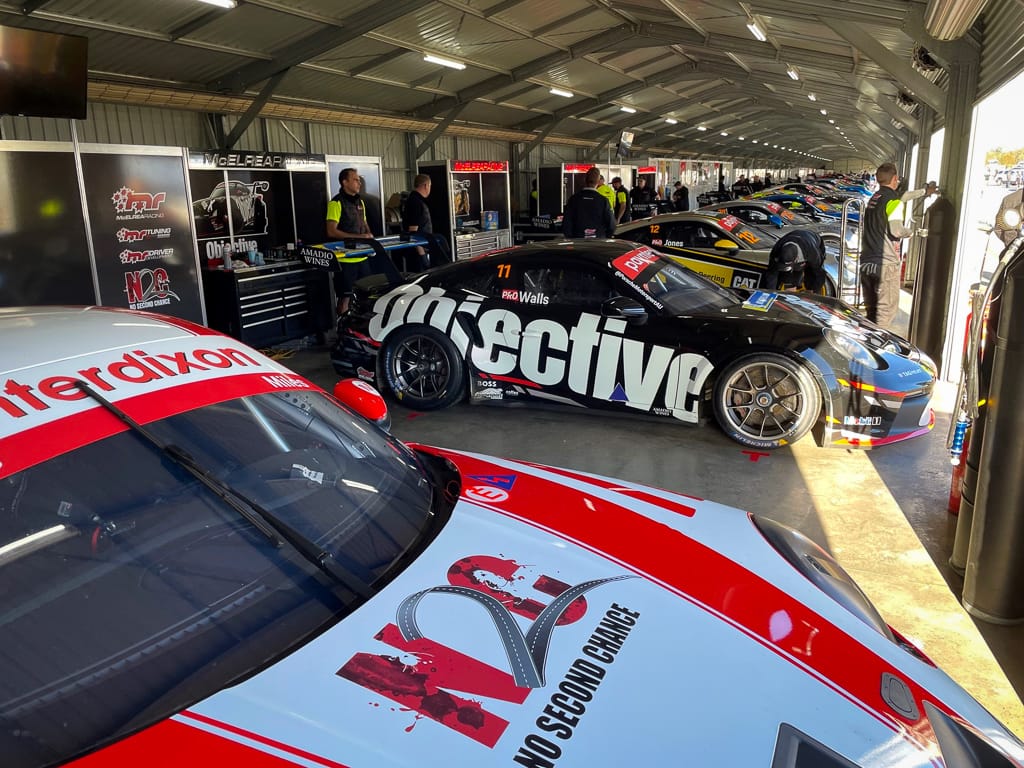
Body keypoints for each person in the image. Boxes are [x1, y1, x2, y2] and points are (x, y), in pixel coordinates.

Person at [860, 162, 937, 328]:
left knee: (871, 312)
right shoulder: (893, 202)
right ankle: (877, 349)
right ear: (895, 179)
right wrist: (909, 232)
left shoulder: (876, 198)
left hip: (867, 264)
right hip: (885, 265)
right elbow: (896, 230)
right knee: (885, 314)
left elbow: (904, 196)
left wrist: (925, 192)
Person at [326, 167, 373, 315]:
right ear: (344, 182)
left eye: (359, 180)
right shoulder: (335, 203)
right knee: (345, 298)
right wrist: (360, 238)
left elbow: (364, 223)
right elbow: (331, 231)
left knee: (367, 295)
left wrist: (369, 234)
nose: (359, 183)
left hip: (363, 257)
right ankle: (342, 330)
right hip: (345, 261)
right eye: (355, 180)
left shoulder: (360, 202)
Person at [562, 166, 615, 239]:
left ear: (585, 180)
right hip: (598, 241)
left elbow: (566, 223)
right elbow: (611, 225)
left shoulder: (574, 199)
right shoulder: (603, 201)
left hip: (577, 241)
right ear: (598, 181)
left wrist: (570, 238)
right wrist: (604, 237)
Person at [401, 173, 433, 272]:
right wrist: (422, 254)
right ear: (425, 185)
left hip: (420, 249)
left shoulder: (415, 200)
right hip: (417, 253)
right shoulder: (416, 202)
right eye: (430, 186)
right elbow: (413, 232)